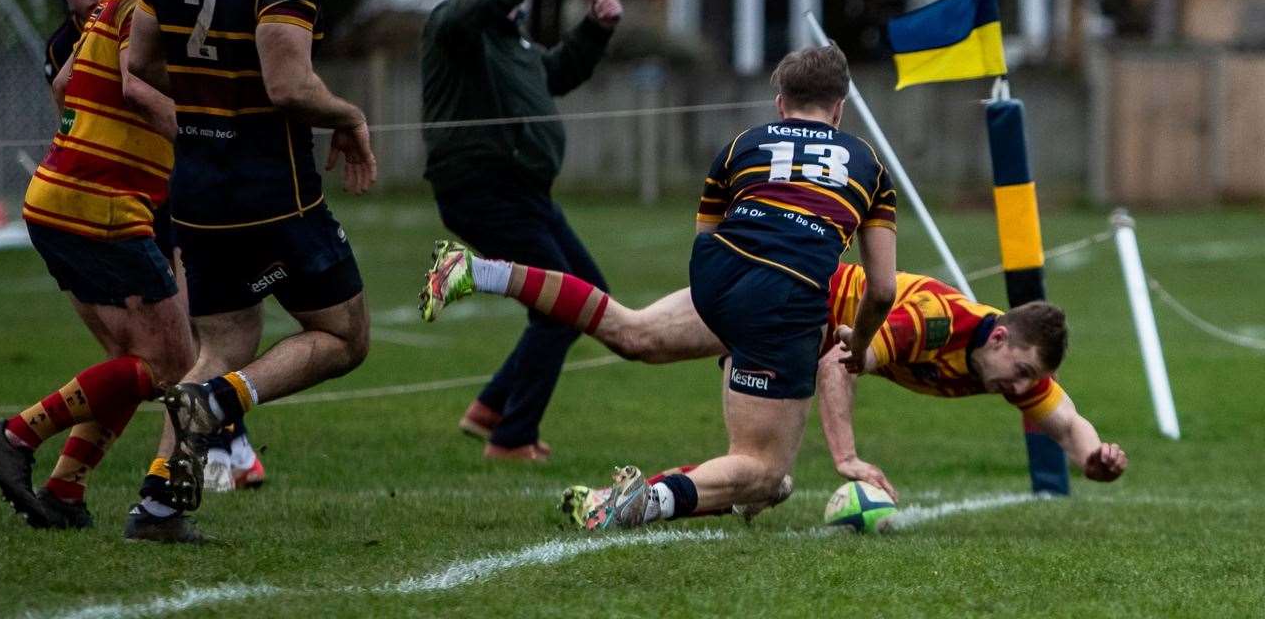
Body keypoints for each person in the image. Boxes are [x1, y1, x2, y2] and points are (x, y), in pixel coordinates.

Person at [425, 252, 1129, 522]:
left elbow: (1068, 425)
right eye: (1024, 374)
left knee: (632, 334)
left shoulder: (1007, 367)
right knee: (765, 476)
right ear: (1002, 337)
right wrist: (849, 460)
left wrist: (1096, 457)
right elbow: (836, 366)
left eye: (1032, 382)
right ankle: (625, 504)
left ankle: (474, 270)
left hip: (765, 297)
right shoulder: (934, 322)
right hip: (795, 318)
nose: (1021, 390)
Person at [123, 0, 377, 543]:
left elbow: (138, 64)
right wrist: (351, 114)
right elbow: (289, 85)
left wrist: (207, 94)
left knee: (225, 339)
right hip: (273, 194)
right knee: (344, 335)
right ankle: (221, 401)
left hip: (198, 192)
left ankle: (159, 503)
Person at [531, 45, 897, 527]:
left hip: (716, 274)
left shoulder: (742, 144)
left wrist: (733, 311)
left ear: (781, 103)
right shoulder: (869, 165)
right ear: (840, 107)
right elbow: (883, 290)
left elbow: (704, 240)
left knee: (636, 335)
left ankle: (488, 272)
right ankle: (643, 501)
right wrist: (861, 341)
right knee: (765, 472)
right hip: (785, 294)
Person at [0, 0, 218, 531]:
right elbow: (133, 87)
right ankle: (17, 434)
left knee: (127, 364)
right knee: (169, 363)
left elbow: (69, 86)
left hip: (66, 198)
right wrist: (205, 134)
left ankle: (65, 492)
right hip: (100, 207)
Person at [419, 0, 622, 461]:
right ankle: (510, 438)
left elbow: (556, 74)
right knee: (560, 311)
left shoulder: (514, 43)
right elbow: (470, 15)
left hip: (526, 193)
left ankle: (490, 408)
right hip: (483, 189)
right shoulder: (454, 27)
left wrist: (595, 29)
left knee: (589, 295)